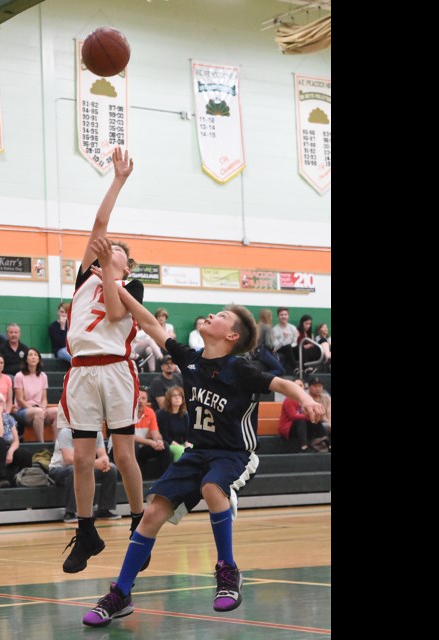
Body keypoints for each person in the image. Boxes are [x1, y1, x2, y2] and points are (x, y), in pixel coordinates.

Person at [80, 238, 324, 627]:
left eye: (221, 316)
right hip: (197, 452)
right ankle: (120, 594)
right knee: (152, 512)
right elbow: (146, 321)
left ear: (232, 336)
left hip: (234, 455)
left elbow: (283, 384)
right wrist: (112, 277)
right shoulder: (190, 360)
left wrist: (307, 400)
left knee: (213, 488)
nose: (212, 315)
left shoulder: (241, 369)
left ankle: (227, 571)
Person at [55, 148, 148, 575]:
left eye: (118, 253)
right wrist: (118, 181)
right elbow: (99, 225)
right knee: (82, 455)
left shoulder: (133, 286)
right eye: (108, 251)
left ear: (126, 263)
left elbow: (114, 314)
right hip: (81, 371)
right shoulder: (85, 275)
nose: (110, 250)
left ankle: (137, 522)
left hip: (115, 369)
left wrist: (111, 275)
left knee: (125, 454)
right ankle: (87, 529)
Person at [49, 427, 121, 523]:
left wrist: (105, 462)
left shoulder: (97, 432)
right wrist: (95, 464)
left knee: (111, 468)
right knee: (74, 469)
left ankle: (104, 510)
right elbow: (69, 459)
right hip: (59, 469)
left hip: (85, 467)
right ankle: (70, 512)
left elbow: (103, 455)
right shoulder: (66, 432)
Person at [0, 392, 34, 487]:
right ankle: (0, 479)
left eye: (1, 402)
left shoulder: (9, 418)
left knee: (25, 454)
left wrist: (10, 452)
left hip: (5, 450)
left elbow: (16, 441)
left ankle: (24, 479)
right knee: (0, 442)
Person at [13, 348, 57, 443]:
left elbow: (44, 399)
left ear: (39, 359)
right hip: (23, 410)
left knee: (58, 412)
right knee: (38, 412)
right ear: (26, 359)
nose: (33, 357)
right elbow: (20, 400)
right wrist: (36, 409)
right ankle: (41, 444)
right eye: (30, 355)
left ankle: (56, 445)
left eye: (35, 355)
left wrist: (43, 409)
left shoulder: (43, 376)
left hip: (39, 409)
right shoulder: (19, 376)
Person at [133, 388, 172, 476]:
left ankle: (165, 479)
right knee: (133, 446)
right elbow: (130, 437)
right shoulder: (127, 412)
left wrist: (158, 441)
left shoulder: (150, 412)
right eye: (138, 398)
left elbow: (156, 433)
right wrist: (151, 442)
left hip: (141, 448)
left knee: (164, 446)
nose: (141, 401)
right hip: (123, 448)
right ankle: (135, 478)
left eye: (143, 398)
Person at [156, 385, 190, 463]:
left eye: (179, 395)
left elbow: (187, 435)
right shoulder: (162, 414)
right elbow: (164, 436)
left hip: (181, 444)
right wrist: (178, 445)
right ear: (169, 399)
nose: (177, 398)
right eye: (174, 396)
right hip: (168, 444)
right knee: (181, 450)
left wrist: (187, 443)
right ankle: (177, 474)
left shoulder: (184, 414)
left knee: (195, 448)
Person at [272, 307, 300, 374]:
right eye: (281, 315)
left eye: (285, 314)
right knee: (288, 347)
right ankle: (295, 368)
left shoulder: (292, 328)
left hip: (290, 348)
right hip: (280, 349)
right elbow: (275, 346)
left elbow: (295, 342)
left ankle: (305, 368)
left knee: (300, 348)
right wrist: (284, 338)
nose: (284, 316)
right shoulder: (274, 330)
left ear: (288, 316)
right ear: (278, 316)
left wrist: (291, 345)